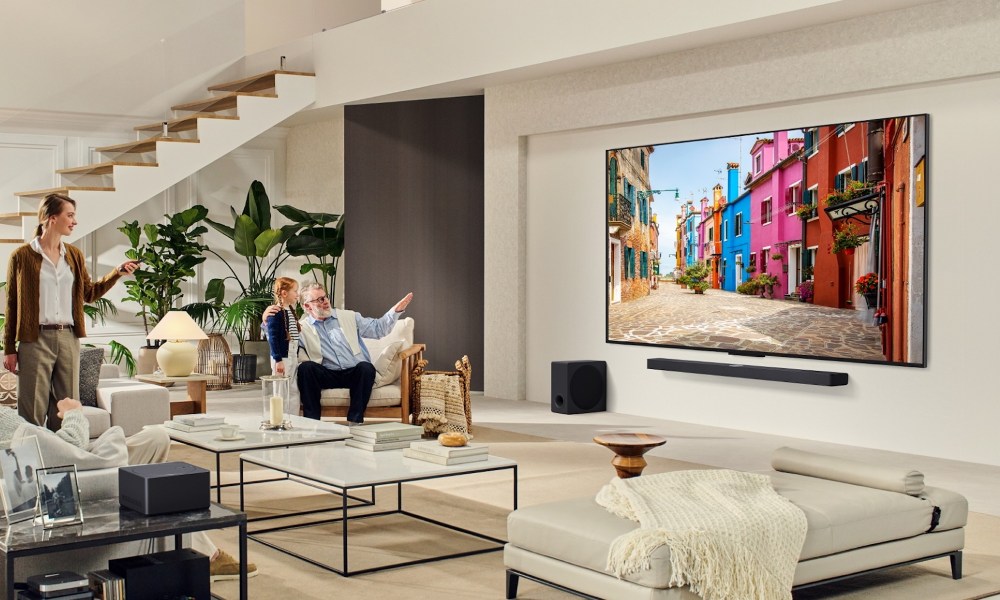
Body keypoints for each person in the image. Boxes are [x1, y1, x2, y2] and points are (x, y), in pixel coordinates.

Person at [0, 399, 258, 581]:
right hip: (76, 477)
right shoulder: (3, 419)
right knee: (154, 480)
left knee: (155, 437)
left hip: (86, 466)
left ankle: (188, 542)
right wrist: (74, 413)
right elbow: (67, 449)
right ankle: (204, 555)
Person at [3, 193, 139, 430]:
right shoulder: (21, 256)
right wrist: (9, 349)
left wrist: (116, 272)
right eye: (70, 215)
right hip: (34, 340)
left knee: (68, 409)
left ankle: (65, 458)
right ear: (51, 218)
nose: (74, 221)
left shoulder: (73, 255)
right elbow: (12, 304)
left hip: (68, 338)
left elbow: (89, 293)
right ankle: (30, 461)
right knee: (31, 409)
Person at [264, 283, 412, 424]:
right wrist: (266, 320)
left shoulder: (349, 316)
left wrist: (395, 311)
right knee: (306, 368)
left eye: (325, 297)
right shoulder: (301, 327)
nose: (326, 302)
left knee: (366, 368)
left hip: (354, 373)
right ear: (307, 306)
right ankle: (312, 422)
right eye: (319, 299)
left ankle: (355, 420)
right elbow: (279, 337)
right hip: (326, 374)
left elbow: (378, 329)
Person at [265, 277, 301, 415]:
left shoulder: (290, 310)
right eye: (295, 291)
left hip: (292, 354)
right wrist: (278, 360)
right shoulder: (276, 313)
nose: (297, 294)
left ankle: (293, 418)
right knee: (280, 390)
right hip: (282, 356)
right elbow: (272, 338)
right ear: (284, 293)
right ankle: (280, 418)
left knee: (293, 388)